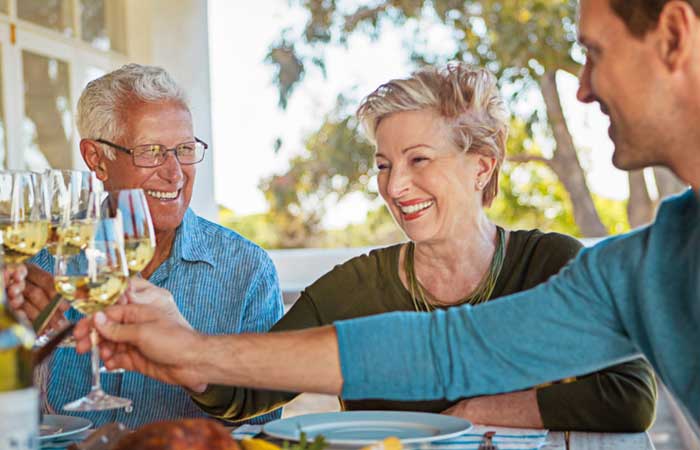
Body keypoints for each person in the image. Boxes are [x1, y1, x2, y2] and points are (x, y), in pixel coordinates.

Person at [74, 0, 700, 427]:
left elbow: (622, 397)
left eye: (593, 52)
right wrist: (191, 352)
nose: (582, 86)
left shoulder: (573, 264)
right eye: (384, 164)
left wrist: (466, 416)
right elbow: (446, 350)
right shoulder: (643, 262)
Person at [190, 64, 655, 431]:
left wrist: (476, 412)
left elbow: (629, 397)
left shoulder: (552, 264)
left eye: (419, 159)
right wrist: (179, 350)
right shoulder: (353, 288)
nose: (396, 186)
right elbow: (242, 394)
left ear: (481, 167)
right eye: (384, 165)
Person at [18, 65, 284, 427]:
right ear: (96, 158)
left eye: (185, 149)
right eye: (151, 151)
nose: (175, 173)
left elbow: (263, 426)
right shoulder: (42, 264)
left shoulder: (247, 270)